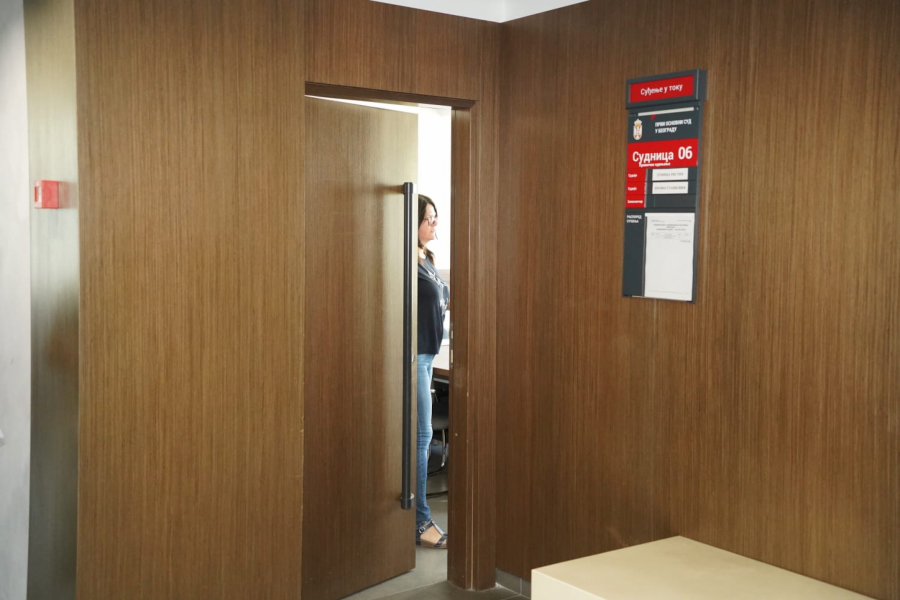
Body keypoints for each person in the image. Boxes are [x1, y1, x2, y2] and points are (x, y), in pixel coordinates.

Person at [415, 194, 450, 549]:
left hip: (427, 357)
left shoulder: (427, 259)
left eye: (435, 216)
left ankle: (417, 517)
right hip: (415, 358)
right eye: (429, 218)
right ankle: (419, 521)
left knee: (422, 438)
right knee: (422, 437)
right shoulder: (406, 261)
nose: (435, 222)